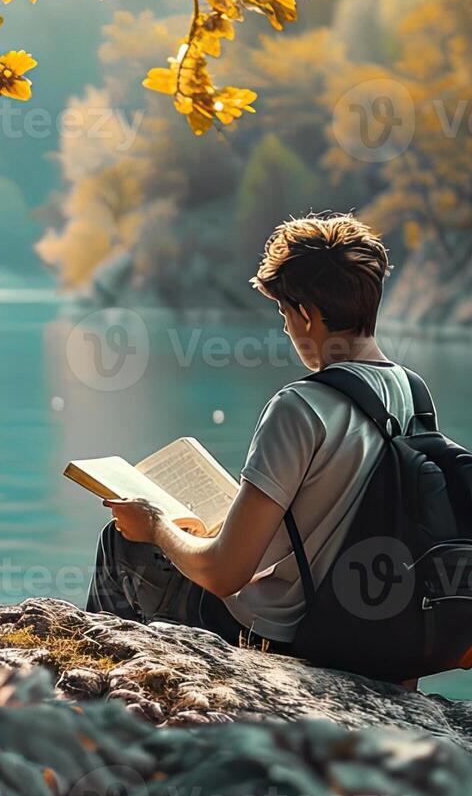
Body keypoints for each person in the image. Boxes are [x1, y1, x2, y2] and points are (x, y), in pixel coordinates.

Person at [86, 210, 417, 656]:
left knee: (123, 542)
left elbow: (225, 575)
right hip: (366, 629)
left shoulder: (301, 406)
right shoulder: (414, 393)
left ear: (305, 314)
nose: (284, 327)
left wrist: (158, 525)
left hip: (282, 634)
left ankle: (103, 689)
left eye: (283, 313)